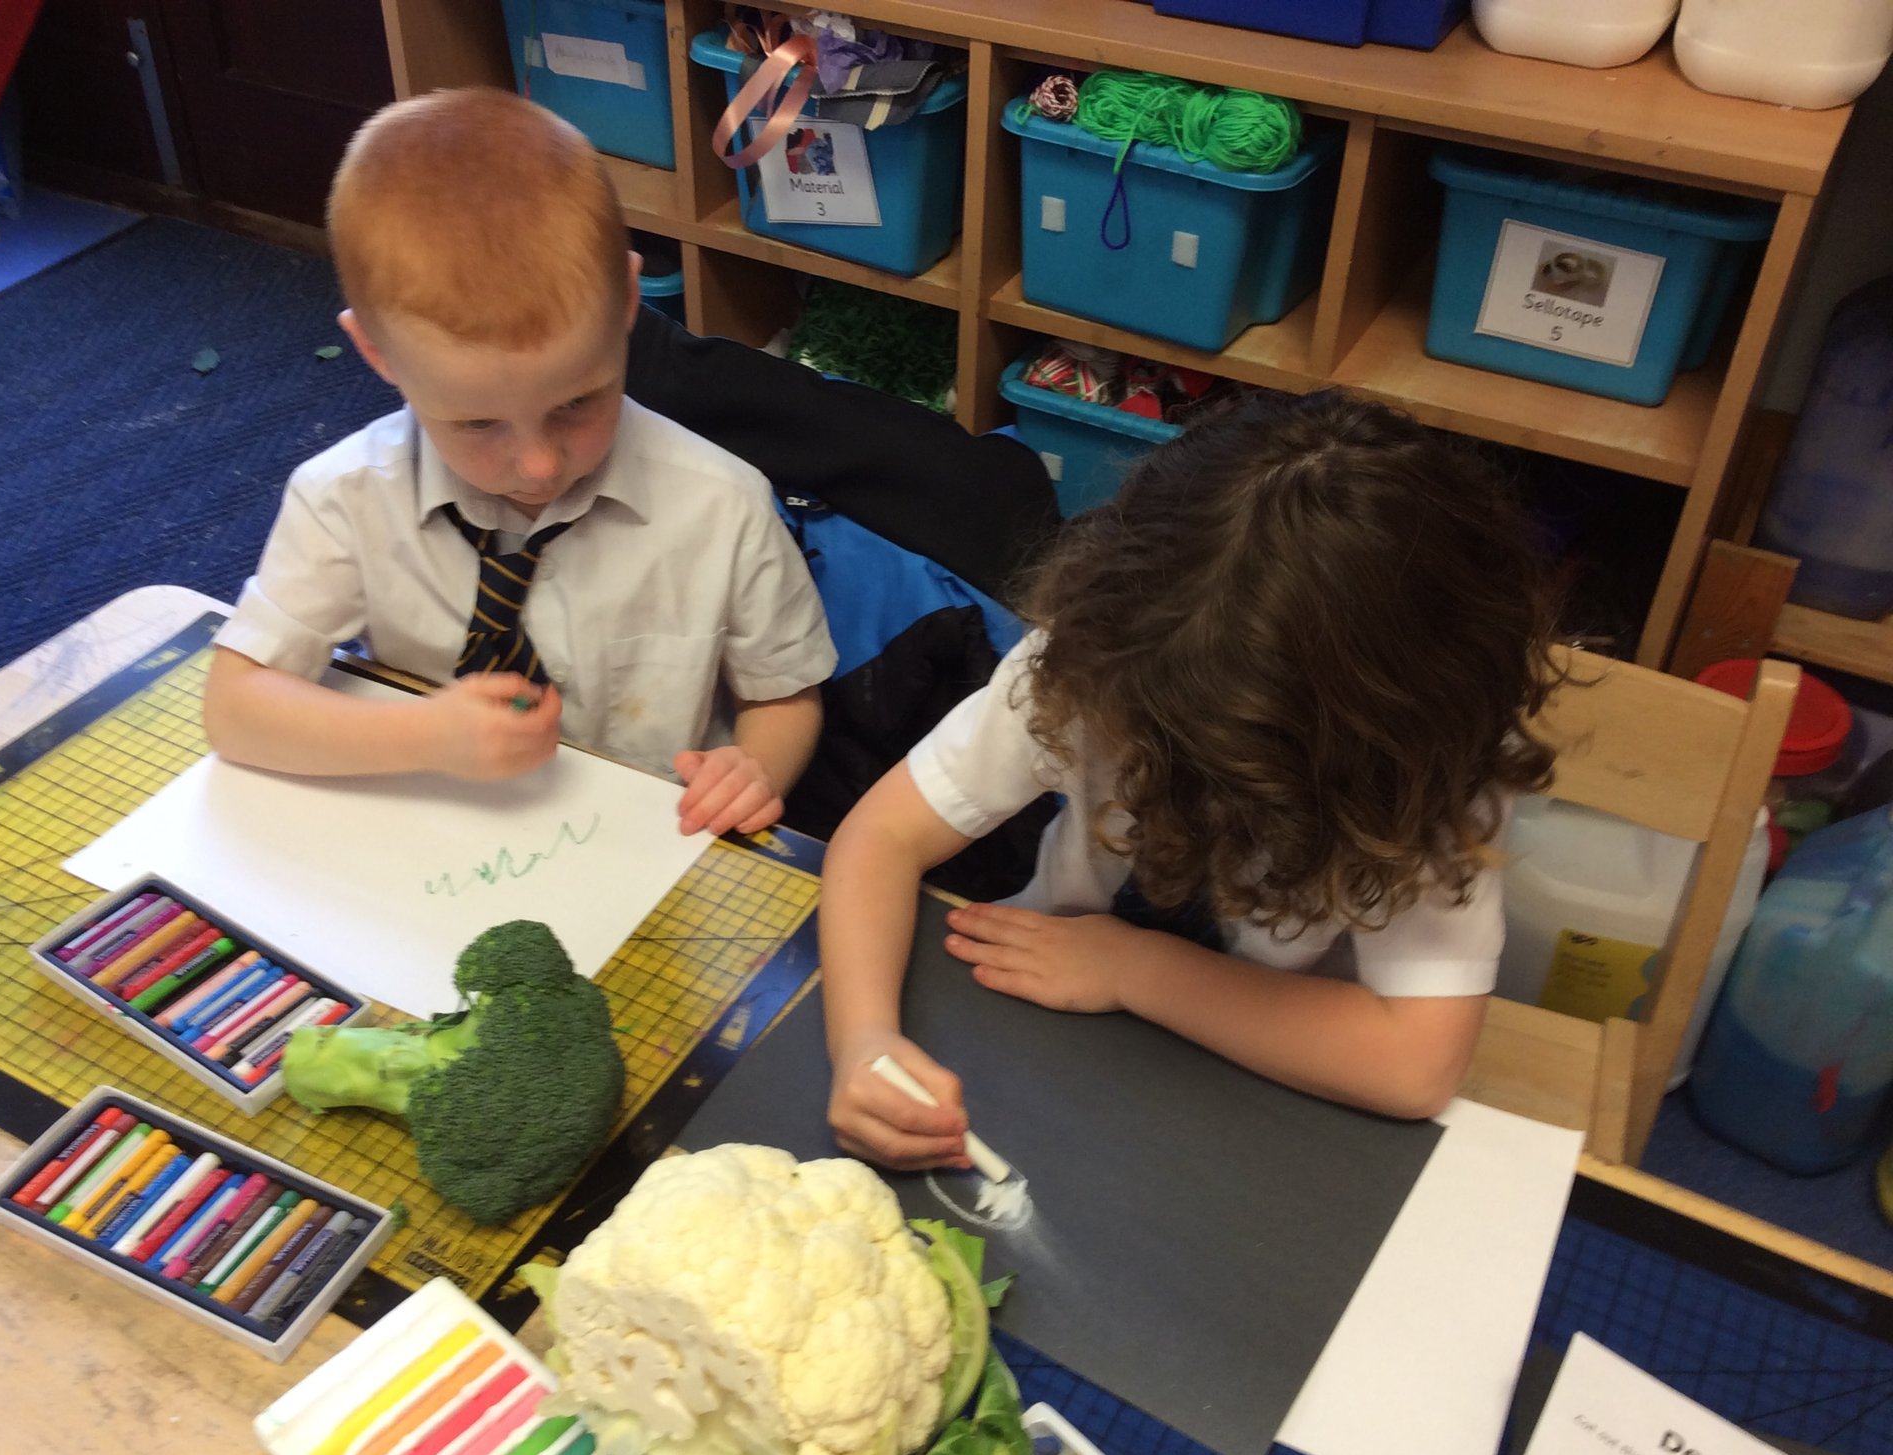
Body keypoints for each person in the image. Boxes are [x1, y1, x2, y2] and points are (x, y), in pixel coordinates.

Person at [820, 389, 1561, 1169]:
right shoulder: (1087, 667)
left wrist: (1134, 968)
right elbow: (883, 836)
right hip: (1056, 1023)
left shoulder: (1436, 771)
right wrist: (863, 1037)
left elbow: (1416, 1068)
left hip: (1277, 1069)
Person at [202, 91, 836, 837]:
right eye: (474, 423)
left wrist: (754, 769)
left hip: (647, 845)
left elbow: (783, 695)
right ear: (377, 355)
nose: (537, 464)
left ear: (630, 301)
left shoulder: (721, 505)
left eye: (577, 403)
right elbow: (236, 707)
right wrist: (424, 736)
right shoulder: (344, 499)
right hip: (437, 835)